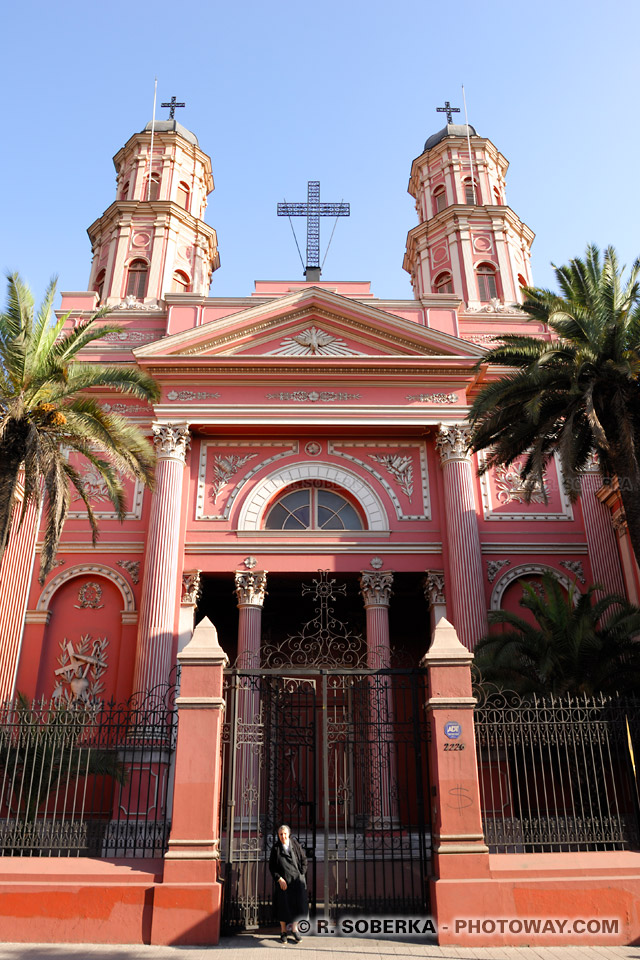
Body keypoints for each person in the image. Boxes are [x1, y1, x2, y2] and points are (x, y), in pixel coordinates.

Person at [268, 824, 308, 943]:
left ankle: (295, 930)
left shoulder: (295, 845)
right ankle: (283, 931)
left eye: (285, 834)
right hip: (283, 882)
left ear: (289, 834)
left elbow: (304, 859)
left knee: (298, 905)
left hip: (296, 880)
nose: (283, 836)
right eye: (281, 834)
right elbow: (272, 867)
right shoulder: (276, 848)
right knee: (283, 906)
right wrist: (279, 879)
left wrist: (302, 873)